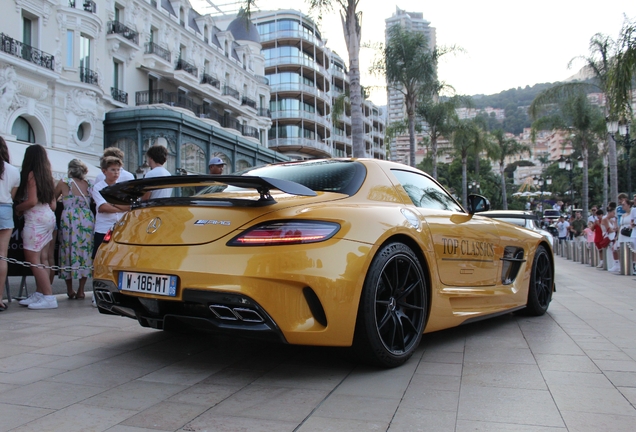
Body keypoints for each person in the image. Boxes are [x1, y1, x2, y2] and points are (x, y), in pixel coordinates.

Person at [15, 145, 57, 310]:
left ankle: (48, 296)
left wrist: (18, 208)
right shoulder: (47, 176)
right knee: (44, 258)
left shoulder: (31, 175)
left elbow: (31, 201)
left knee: (33, 260)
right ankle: (41, 293)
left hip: (35, 220)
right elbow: (53, 205)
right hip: (48, 217)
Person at [53, 159, 94, 300]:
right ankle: (82, 290)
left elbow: (53, 198)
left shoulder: (64, 182)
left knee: (68, 252)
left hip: (70, 220)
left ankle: (70, 290)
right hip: (86, 219)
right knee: (85, 253)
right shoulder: (89, 184)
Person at [91, 156, 131, 260]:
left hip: (121, 227)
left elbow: (129, 206)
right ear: (104, 171)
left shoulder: (122, 188)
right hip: (104, 227)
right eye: (113, 170)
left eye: (118, 170)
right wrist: (120, 207)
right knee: (101, 257)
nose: (116, 173)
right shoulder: (98, 187)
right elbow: (103, 207)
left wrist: (111, 203)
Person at [0, 137, 20, 311]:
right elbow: (12, 197)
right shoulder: (13, 171)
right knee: (2, 256)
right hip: (5, 209)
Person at [602, 204, 619, 272]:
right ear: (609, 212)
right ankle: (611, 265)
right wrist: (615, 230)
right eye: (613, 213)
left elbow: (615, 227)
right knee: (610, 251)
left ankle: (614, 265)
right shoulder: (605, 219)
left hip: (613, 236)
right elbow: (608, 229)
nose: (614, 214)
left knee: (613, 250)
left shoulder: (611, 220)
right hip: (608, 236)